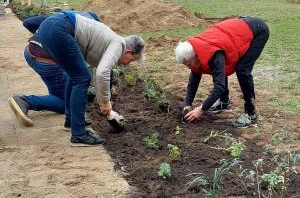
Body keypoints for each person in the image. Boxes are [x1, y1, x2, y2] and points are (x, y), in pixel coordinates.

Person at [11, 11, 144, 146]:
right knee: (82, 78)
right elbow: (102, 72)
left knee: (74, 75)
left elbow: (100, 73)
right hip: (59, 28)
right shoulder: (119, 44)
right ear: (129, 52)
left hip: (50, 27)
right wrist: (105, 102)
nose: (127, 64)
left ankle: (70, 120)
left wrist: (105, 105)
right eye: (131, 60)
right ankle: (79, 134)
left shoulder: (106, 43)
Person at [9, 12, 101, 129]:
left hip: (30, 52)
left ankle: (52, 98)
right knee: (65, 103)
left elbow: (29, 22)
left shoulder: (61, 19)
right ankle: (25, 101)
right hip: (47, 63)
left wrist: (45, 38)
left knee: (58, 95)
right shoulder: (85, 32)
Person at [175, 16, 269, 128]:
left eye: (189, 64)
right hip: (236, 29)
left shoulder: (214, 54)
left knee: (242, 70)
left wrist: (202, 108)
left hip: (257, 30)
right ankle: (224, 102)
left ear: (195, 56)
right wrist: (188, 104)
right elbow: (194, 80)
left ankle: (251, 113)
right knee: (219, 68)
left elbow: (219, 87)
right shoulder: (195, 53)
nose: (188, 67)